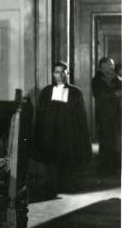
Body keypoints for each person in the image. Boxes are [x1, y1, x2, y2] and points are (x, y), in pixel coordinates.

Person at [34, 61, 92, 193]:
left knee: (67, 160)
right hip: (50, 133)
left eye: (62, 72)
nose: (59, 75)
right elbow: (41, 115)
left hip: (68, 133)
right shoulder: (46, 91)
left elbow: (80, 116)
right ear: (53, 74)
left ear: (67, 73)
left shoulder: (75, 92)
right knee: (51, 160)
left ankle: (67, 184)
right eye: (56, 72)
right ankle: (51, 185)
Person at [91, 57, 122, 175]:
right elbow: (101, 95)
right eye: (110, 64)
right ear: (102, 66)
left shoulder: (115, 78)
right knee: (105, 141)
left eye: (112, 64)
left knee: (116, 142)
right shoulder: (97, 80)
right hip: (104, 115)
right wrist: (116, 94)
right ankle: (104, 168)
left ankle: (114, 167)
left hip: (116, 114)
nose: (112, 66)